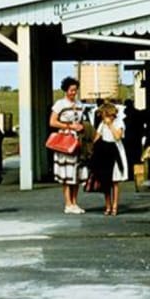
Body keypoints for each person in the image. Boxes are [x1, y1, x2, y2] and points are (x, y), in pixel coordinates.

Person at [49, 76, 88, 214]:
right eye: (71, 90)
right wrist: (69, 126)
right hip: (65, 140)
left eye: (75, 90)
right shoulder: (60, 104)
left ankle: (75, 202)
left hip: (77, 140)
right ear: (66, 90)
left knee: (76, 172)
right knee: (66, 172)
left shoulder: (80, 105)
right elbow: (52, 122)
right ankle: (68, 203)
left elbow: (83, 121)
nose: (73, 93)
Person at [90, 104, 130, 216]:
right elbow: (97, 137)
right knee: (105, 180)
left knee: (115, 181)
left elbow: (118, 136)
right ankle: (107, 205)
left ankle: (115, 205)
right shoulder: (102, 124)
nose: (104, 118)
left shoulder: (119, 123)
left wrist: (111, 125)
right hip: (105, 152)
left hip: (116, 151)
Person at [121, 99, 145, 173]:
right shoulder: (138, 114)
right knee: (137, 156)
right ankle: (137, 172)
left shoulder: (127, 115)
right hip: (137, 138)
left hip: (129, 138)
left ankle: (130, 173)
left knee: (129, 156)